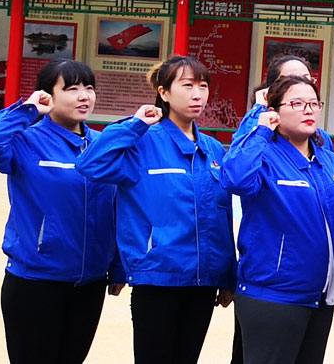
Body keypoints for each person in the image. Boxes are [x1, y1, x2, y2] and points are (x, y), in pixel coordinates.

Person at [79, 55, 236, 364]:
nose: (197, 94)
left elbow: (223, 217)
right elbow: (90, 165)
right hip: (157, 278)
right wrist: (135, 125)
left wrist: (228, 275)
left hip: (203, 282)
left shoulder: (214, 150)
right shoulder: (141, 142)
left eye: (203, 86)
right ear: (163, 92)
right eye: (187, 85)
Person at [0, 59, 122, 364]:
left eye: (89, 88)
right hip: (35, 282)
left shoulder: (102, 145)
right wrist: (28, 110)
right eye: (72, 89)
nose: (84, 96)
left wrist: (117, 266)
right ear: (48, 95)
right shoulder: (27, 141)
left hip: (90, 284)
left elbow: (116, 211)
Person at [221, 75, 334, 364]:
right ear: (274, 111)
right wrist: (260, 130)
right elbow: (235, 179)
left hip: (319, 297)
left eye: (313, 103)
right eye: (296, 103)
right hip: (272, 295)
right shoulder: (262, 155)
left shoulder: (329, 161)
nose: (308, 110)